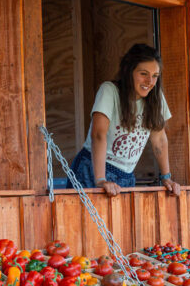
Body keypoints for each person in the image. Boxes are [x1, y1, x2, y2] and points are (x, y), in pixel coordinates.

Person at [66, 43, 181, 197]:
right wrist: (100, 180)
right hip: (93, 169)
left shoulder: (156, 98)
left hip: (126, 176)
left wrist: (166, 178)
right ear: (129, 71)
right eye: (144, 74)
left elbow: (159, 139)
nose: (150, 81)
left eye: (155, 76)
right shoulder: (109, 91)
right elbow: (98, 135)